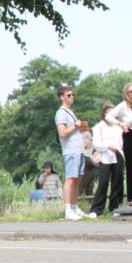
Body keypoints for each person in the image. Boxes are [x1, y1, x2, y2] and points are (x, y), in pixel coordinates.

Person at [88, 102, 124, 218]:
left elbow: (121, 141)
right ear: (104, 114)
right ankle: (97, 209)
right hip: (105, 156)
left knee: (117, 182)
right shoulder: (99, 126)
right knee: (103, 182)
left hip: (118, 155)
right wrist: (107, 146)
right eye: (108, 112)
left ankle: (115, 207)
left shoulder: (118, 127)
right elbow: (96, 143)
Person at [55, 84, 85, 220]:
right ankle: (68, 209)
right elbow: (62, 133)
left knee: (77, 179)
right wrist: (74, 126)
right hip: (71, 150)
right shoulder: (61, 113)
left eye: (73, 95)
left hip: (79, 149)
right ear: (62, 97)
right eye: (69, 95)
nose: (72, 97)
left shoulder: (70, 112)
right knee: (70, 179)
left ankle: (74, 207)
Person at [79, 120, 96, 197]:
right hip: (87, 158)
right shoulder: (88, 134)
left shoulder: (79, 134)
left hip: (83, 158)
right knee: (88, 182)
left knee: (85, 180)